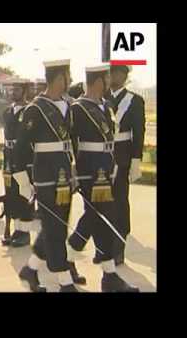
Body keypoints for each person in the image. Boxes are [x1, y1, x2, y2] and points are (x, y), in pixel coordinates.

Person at [67, 64, 139, 292]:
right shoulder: (78, 108)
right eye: (106, 79)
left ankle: (104, 274)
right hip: (90, 171)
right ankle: (104, 273)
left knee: (97, 219)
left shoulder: (104, 106)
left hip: (107, 168)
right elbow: (70, 142)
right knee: (98, 216)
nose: (109, 82)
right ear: (99, 81)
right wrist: (73, 172)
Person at [14, 60, 84, 292]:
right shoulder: (35, 108)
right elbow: (21, 147)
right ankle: (64, 281)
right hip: (45, 175)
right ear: (57, 78)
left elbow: (71, 142)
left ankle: (31, 270)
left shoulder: (67, 105)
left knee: (56, 226)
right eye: (67, 76)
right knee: (55, 229)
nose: (70, 80)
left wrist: (74, 168)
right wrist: (23, 180)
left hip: (64, 174)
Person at [106, 64, 145, 265]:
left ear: (124, 76)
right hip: (102, 156)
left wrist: (135, 161)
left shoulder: (135, 101)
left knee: (120, 202)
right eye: (110, 73)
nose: (113, 76)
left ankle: (119, 246)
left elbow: (138, 133)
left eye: (117, 73)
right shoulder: (101, 98)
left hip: (121, 156)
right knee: (103, 202)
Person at [0, 79, 34, 247]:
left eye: (17, 89)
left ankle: (24, 231)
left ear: (25, 91)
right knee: (11, 192)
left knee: (24, 193)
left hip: (24, 157)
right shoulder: (7, 112)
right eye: (12, 89)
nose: (13, 92)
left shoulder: (30, 111)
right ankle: (16, 229)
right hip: (9, 156)